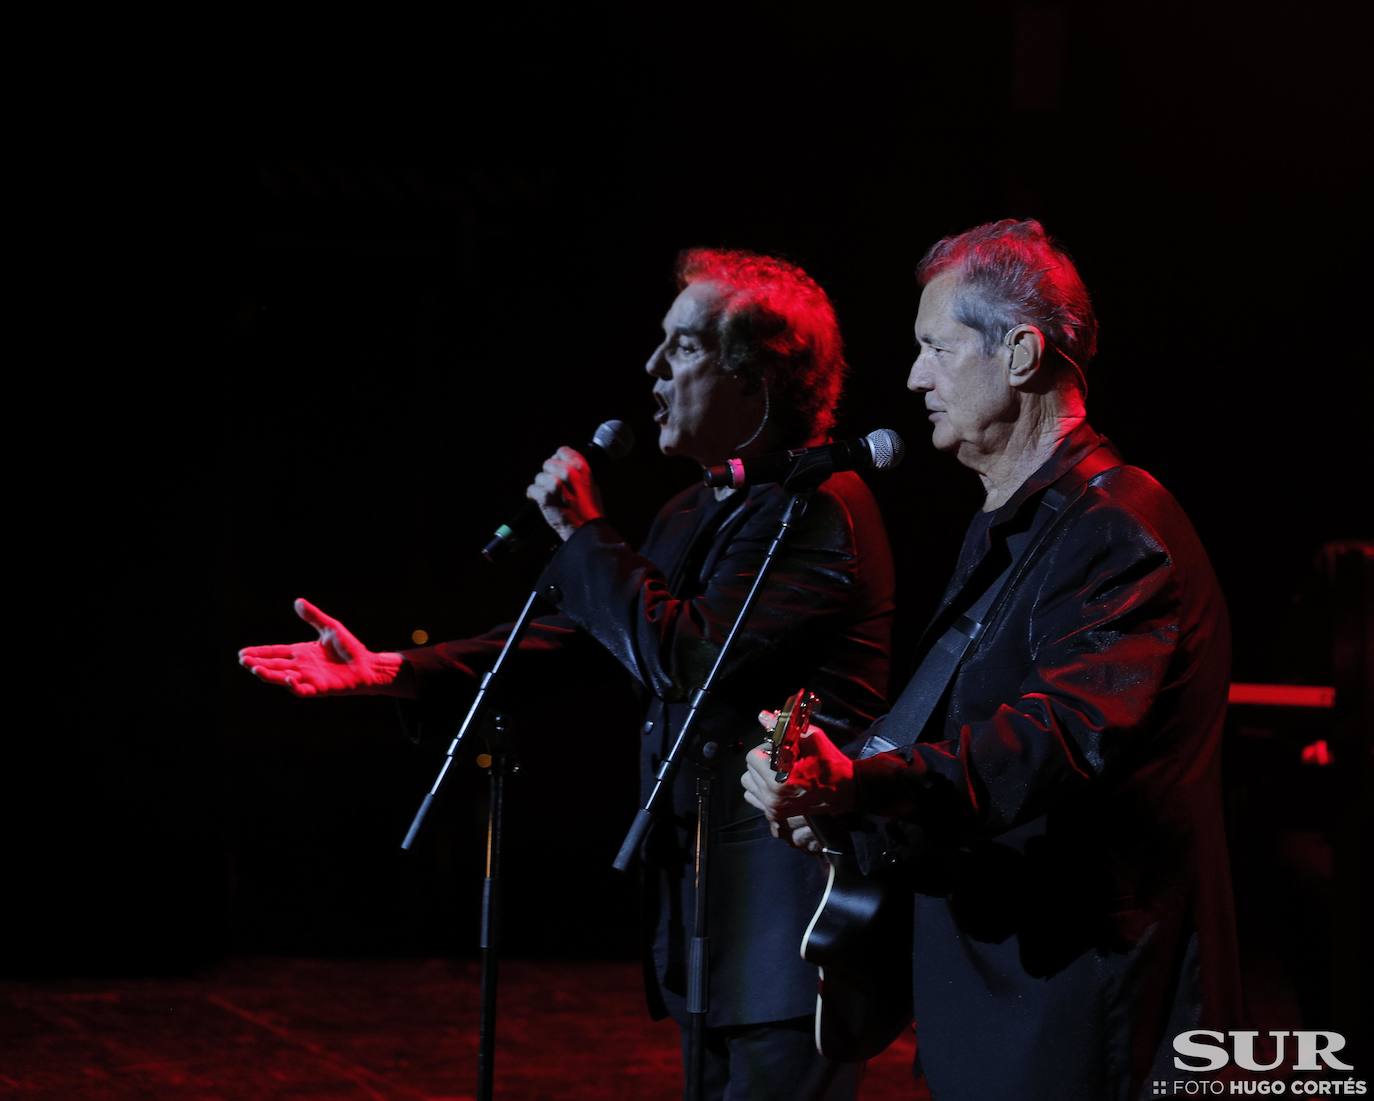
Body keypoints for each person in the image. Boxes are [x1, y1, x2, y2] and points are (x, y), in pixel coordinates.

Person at [239, 248, 895, 1100]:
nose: (652, 369)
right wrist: (393, 669)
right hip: (707, 919)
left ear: (754, 378)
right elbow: (585, 636)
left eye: (683, 348)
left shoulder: (822, 509)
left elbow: (686, 657)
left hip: (788, 923)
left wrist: (586, 533)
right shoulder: (694, 508)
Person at [742, 220, 1242, 1100]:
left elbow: (1052, 740)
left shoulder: (1116, 531)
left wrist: (862, 786)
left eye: (935, 347)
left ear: (1019, 352)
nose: (913, 378)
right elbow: (964, 737)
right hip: (1002, 995)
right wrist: (836, 788)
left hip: (1078, 1010)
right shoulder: (1016, 524)